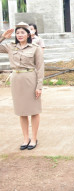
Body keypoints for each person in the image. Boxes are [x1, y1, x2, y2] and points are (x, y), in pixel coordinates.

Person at [0, 22, 44, 150]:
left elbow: (40, 68)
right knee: (21, 111)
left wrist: (39, 86)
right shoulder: (10, 46)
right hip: (16, 80)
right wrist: (3, 36)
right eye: (17, 33)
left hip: (30, 79)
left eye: (22, 32)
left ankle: (34, 138)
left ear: (28, 34)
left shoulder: (35, 48)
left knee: (34, 111)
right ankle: (26, 138)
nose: (19, 35)